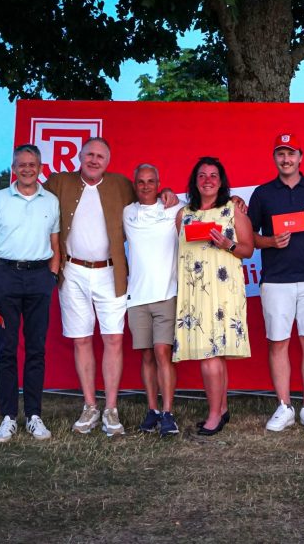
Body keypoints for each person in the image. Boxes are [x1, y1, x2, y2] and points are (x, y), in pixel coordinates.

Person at [0, 137, 177, 437]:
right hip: (72, 272)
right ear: (80, 156)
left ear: (108, 161)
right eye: (89, 155)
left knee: (113, 339)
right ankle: (89, 406)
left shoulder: (122, 185)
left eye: (100, 156)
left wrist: (166, 192)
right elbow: (27, 190)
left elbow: (146, 195)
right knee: (81, 340)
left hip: (111, 273)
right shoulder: (59, 183)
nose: (94, 160)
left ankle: (111, 409)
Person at [247, 133, 304, 433]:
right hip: (276, 281)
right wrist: (270, 241)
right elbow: (251, 238)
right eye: (280, 154)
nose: (286, 159)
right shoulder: (262, 194)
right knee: (278, 343)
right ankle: (284, 406)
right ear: (274, 158)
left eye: (291, 153)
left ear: (301, 156)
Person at [0, 144, 61, 443]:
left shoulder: (51, 201)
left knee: (36, 348)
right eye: (21, 164)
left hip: (40, 277)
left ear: (40, 167)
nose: (27, 169)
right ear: (14, 168)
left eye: (32, 164)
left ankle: (34, 415)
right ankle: (9, 417)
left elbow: (55, 242)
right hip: (5, 278)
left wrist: (51, 275)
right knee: (7, 350)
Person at [173, 157, 254, 436]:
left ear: (222, 181)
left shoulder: (233, 210)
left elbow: (248, 249)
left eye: (214, 175)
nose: (208, 180)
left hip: (222, 292)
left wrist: (228, 243)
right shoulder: (183, 214)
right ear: (195, 181)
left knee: (211, 354)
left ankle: (213, 415)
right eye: (202, 175)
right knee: (213, 355)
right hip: (195, 292)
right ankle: (221, 408)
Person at [123, 163, 181, 436]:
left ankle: (168, 413)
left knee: (162, 353)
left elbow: (204, 208)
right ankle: (152, 411)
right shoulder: (127, 212)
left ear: (159, 184)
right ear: (135, 185)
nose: (146, 186)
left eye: (151, 181)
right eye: (141, 182)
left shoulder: (173, 208)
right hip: (136, 297)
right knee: (146, 355)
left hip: (166, 294)